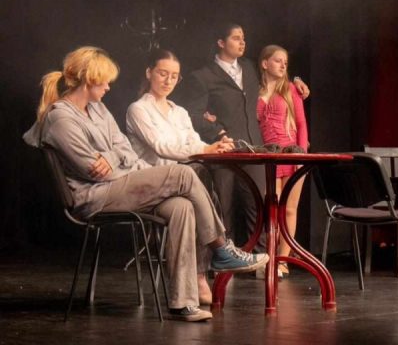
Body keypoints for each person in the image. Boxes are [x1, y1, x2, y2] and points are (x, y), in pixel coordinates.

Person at [23, 46, 269, 322]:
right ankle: (221, 248)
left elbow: (124, 150)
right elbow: (93, 171)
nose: (108, 87)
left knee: (181, 207)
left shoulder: (98, 109)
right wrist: (114, 158)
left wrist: (109, 157)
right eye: (104, 81)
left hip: (119, 184)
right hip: (94, 196)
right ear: (89, 79)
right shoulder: (61, 118)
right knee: (184, 174)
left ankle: (183, 303)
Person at [178, 23, 310, 252]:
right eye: (236, 38)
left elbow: (274, 73)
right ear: (221, 43)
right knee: (224, 207)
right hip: (225, 151)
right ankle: (223, 259)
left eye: (243, 38)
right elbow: (194, 115)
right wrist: (217, 131)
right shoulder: (203, 76)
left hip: (254, 149)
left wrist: (296, 80)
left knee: (258, 207)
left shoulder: (249, 68)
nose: (242, 42)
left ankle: (258, 259)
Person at [125, 48, 234, 305]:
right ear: (149, 73)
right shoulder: (138, 109)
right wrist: (204, 150)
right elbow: (161, 147)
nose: (168, 81)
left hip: (182, 185)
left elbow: (193, 143)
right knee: (197, 174)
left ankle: (201, 272)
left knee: (199, 178)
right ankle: (217, 254)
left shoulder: (180, 112)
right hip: (152, 183)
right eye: (163, 74)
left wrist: (214, 147)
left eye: (174, 76)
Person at [255, 45, 308, 278]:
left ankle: (283, 261)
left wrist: (301, 156)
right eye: (278, 61)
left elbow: (302, 124)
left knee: (289, 209)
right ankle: (270, 257)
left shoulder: (290, 89)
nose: (283, 65)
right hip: (268, 156)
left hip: (291, 153)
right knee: (271, 209)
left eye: (285, 62)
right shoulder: (254, 90)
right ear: (265, 63)